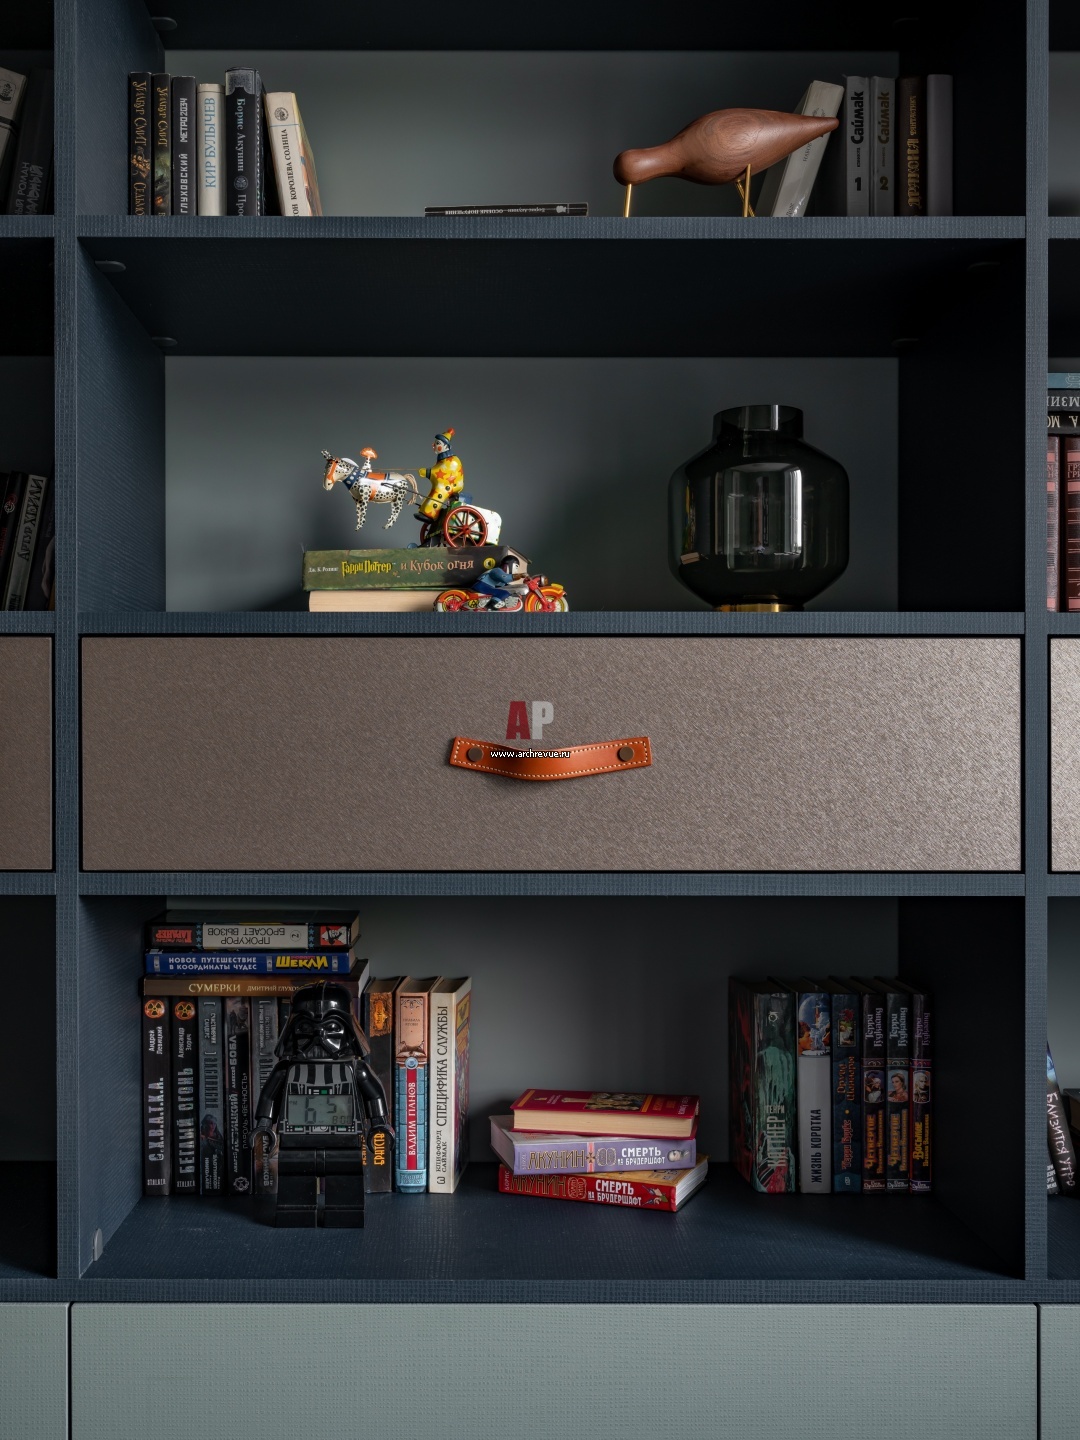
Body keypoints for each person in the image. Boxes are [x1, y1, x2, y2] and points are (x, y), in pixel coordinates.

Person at [417, 428, 464, 521]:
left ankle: (429, 514)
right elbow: (439, 469)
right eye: (435, 443)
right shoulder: (443, 459)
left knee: (439, 491)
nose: (433, 445)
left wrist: (427, 472)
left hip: (451, 484)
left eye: (437, 443)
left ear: (446, 446)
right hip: (447, 482)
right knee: (433, 491)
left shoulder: (453, 460)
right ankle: (424, 510)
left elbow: (441, 471)